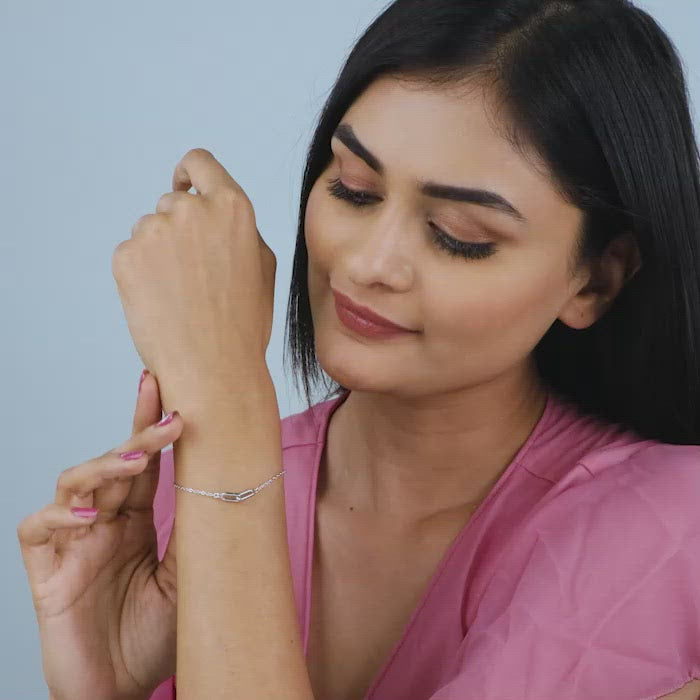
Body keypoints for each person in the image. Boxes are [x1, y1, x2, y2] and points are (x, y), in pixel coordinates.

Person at [18, 0, 700, 699]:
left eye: (460, 235)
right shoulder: (181, 498)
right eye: (354, 189)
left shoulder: (672, 530)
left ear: (596, 280)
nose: (371, 264)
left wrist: (224, 407)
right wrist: (104, 690)